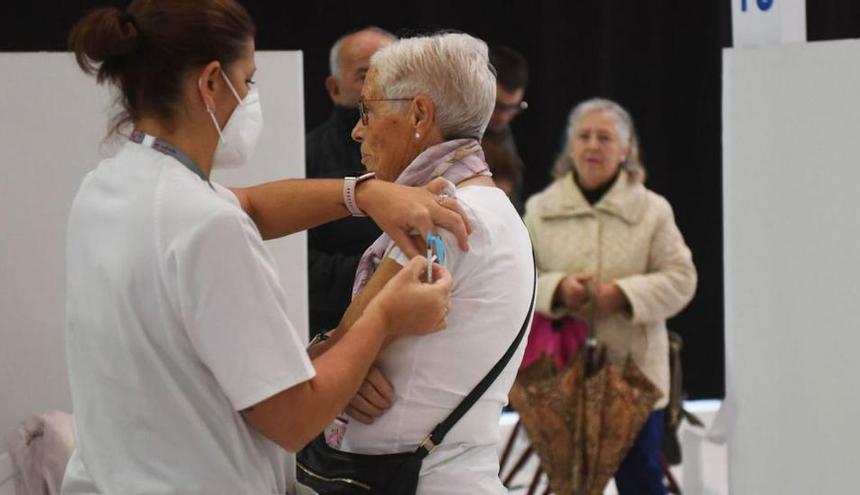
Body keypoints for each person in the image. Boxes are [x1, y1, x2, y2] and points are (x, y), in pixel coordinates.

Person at [62, 2, 472, 493]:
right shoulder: (206, 227)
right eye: (248, 81)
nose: (252, 96)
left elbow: (253, 205)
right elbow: (294, 419)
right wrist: (384, 317)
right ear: (212, 83)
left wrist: (361, 193)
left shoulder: (108, 186)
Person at [307, 33, 535, 494]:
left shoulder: (442, 214)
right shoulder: (490, 207)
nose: (357, 130)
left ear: (418, 114)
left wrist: (330, 357)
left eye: (367, 111)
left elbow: (331, 364)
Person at [523, 98, 697, 495]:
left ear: (625, 149)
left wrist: (622, 295)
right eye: (584, 136)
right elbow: (517, 279)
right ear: (570, 147)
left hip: (633, 379)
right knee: (569, 486)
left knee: (641, 483)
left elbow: (683, 278)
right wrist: (557, 289)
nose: (593, 146)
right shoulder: (539, 209)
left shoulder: (653, 211)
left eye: (605, 137)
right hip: (558, 378)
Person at [306, 27, 396, 337]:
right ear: (333, 88)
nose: (377, 87)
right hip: (333, 331)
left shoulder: (425, 152)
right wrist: (385, 272)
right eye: (364, 75)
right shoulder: (306, 156)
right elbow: (295, 263)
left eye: (389, 74)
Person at [482, 44, 528, 212]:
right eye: (498, 105)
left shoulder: (502, 131)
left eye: (514, 108)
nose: (504, 117)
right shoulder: (452, 132)